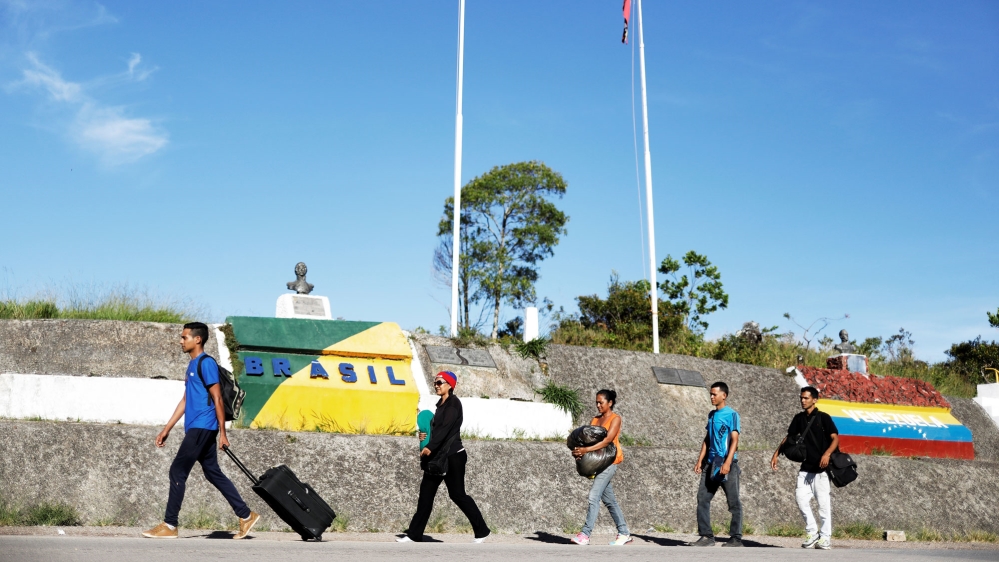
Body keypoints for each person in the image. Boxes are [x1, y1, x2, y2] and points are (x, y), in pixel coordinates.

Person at [142, 322, 259, 539]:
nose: (180, 341)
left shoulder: (206, 363)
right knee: (212, 472)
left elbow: (217, 398)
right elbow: (186, 399)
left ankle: (169, 525)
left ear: (198, 339)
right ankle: (245, 516)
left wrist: (223, 433)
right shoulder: (192, 365)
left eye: (184, 337)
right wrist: (167, 428)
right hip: (196, 427)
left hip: (203, 426)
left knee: (177, 471)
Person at [397, 371, 490, 543]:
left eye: (440, 382)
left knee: (458, 495)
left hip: (453, 456)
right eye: (435, 383)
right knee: (425, 495)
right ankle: (414, 534)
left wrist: (429, 447)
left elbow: (445, 430)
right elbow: (435, 429)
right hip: (438, 456)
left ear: (450, 385)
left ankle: (482, 530)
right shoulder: (440, 403)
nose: (437, 385)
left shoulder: (453, 405)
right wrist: (424, 438)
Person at [771, 386, 839, 550]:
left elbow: (835, 438)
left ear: (814, 400)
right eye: (801, 398)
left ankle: (825, 538)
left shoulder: (824, 418)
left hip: (821, 471)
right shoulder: (799, 418)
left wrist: (827, 454)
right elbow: (789, 438)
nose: (802, 400)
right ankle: (812, 532)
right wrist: (776, 454)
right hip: (805, 469)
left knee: (823, 506)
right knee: (800, 499)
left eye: (806, 398)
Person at [570, 389, 632, 546]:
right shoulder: (595, 420)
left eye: (601, 402)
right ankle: (624, 532)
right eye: (596, 402)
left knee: (593, 496)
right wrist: (580, 453)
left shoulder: (615, 419)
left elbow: (607, 441)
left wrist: (585, 450)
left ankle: (585, 534)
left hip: (611, 462)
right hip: (598, 462)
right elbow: (590, 442)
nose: (598, 405)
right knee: (610, 500)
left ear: (609, 403)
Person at [691, 381, 743, 547]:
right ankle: (706, 536)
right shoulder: (712, 415)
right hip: (710, 463)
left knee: (733, 502)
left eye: (714, 394)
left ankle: (736, 538)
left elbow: (735, 440)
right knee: (702, 499)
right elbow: (707, 439)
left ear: (724, 395)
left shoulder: (732, 415)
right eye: (711, 394)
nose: (711, 397)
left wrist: (728, 462)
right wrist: (700, 460)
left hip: (727, 464)